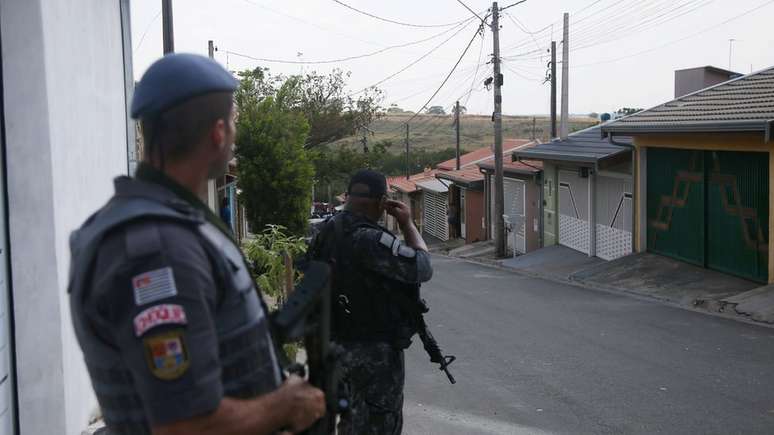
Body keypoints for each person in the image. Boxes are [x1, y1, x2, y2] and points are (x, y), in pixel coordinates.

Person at [68, 53, 324, 435]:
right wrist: (285, 404)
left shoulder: (173, 225)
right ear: (218, 132)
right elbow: (184, 427)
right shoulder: (157, 249)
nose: (234, 134)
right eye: (234, 123)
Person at [307, 169, 433, 435]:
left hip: (333, 348)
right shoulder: (371, 239)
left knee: (348, 423)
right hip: (374, 353)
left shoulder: (324, 232)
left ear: (348, 197)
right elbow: (423, 266)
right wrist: (407, 225)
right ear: (381, 202)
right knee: (378, 425)